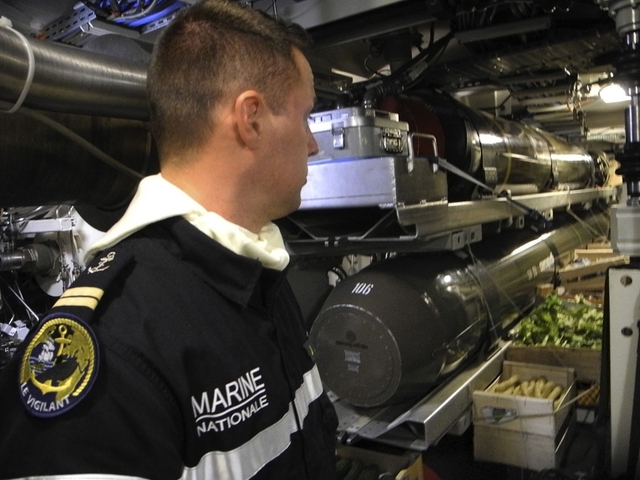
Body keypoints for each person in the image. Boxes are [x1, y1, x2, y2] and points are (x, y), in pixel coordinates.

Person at [0, 1, 338, 479]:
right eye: (305, 117)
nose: (312, 144)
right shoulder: (111, 351)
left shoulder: (260, 278)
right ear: (251, 118)